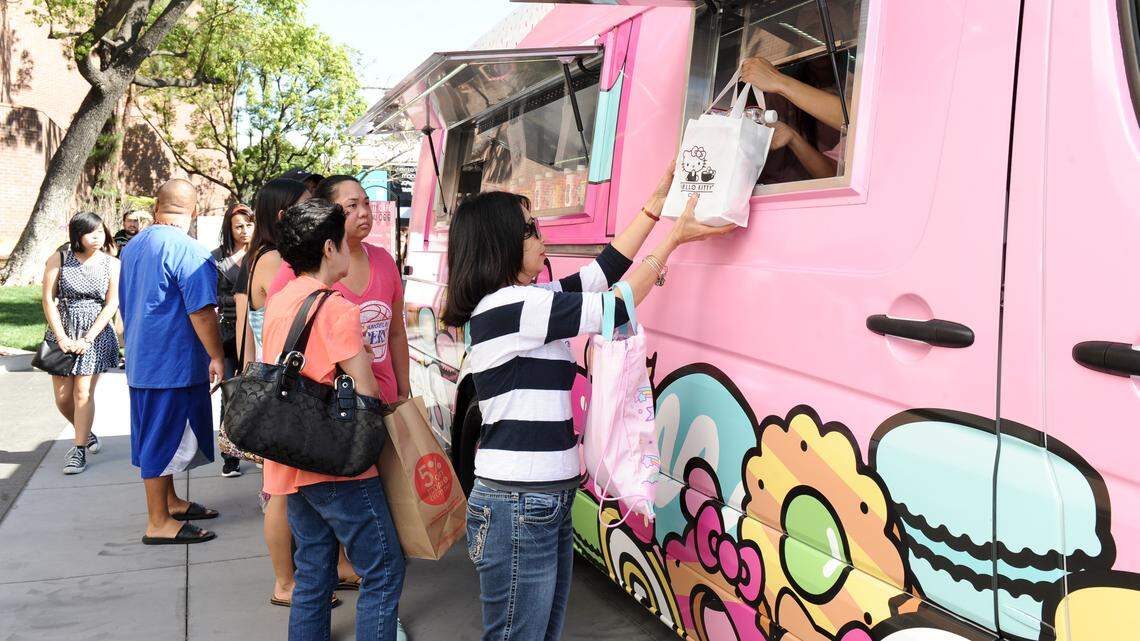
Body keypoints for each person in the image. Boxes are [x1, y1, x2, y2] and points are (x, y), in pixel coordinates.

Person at [442, 163, 733, 641]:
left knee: (538, 633)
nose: (542, 237)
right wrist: (673, 241)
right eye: (530, 228)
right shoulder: (510, 307)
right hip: (520, 502)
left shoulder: (527, 302)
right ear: (500, 243)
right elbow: (616, 304)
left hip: (542, 499)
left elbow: (602, 274)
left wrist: (654, 208)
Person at [261, 198, 405, 641]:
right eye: (344, 240)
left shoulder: (283, 299)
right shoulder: (338, 308)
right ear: (328, 248)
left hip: (289, 460)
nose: (352, 247)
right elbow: (365, 389)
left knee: (313, 572)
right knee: (383, 567)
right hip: (336, 463)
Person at [232, 178, 323, 607]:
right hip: (283, 390)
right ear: (286, 216)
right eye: (309, 207)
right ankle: (285, 583)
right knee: (282, 492)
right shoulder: (276, 263)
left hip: (272, 384)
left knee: (282, 489)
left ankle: (291, 579)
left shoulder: (260, 257)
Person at [119, 179, 223, 545]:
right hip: (172, 362)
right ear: (194, 210)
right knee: (162, 440)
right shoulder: (190, 251)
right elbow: (202, 312)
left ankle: (171, 502)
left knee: (155, 434)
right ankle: (158, 521)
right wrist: (217, 355)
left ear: (156, 207)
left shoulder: (133, 246)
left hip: (142, 358)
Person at [41, 212, 121, 474]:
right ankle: (85, 433)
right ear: (77, 235)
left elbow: (111, 303)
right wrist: (62, 337)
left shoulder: (112, 263)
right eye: (91, 232)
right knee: (63, 399)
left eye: (100, 231)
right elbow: (48, 300)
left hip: (95, 333)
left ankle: (77, 451)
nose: (97, 237)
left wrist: (88, 338)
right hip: (62, 329)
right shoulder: (60, 258)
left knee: (82, 393)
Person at [741, 55, 845, 179]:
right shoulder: (779, 98)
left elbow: (858, 118)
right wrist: (792, 137)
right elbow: (836, 174)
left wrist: (777, 80)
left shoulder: (854, 91)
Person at [211, 203, 255, 478]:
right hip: (227, 332)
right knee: (229, 392)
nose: (244, 230)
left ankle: (258, 448)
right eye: (238, 226)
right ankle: (230, 454)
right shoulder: (216, 258)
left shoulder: (264, 254)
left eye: (249, 224)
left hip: (258, 330)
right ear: (229, 229)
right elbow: (211, 297)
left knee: (257, 391)